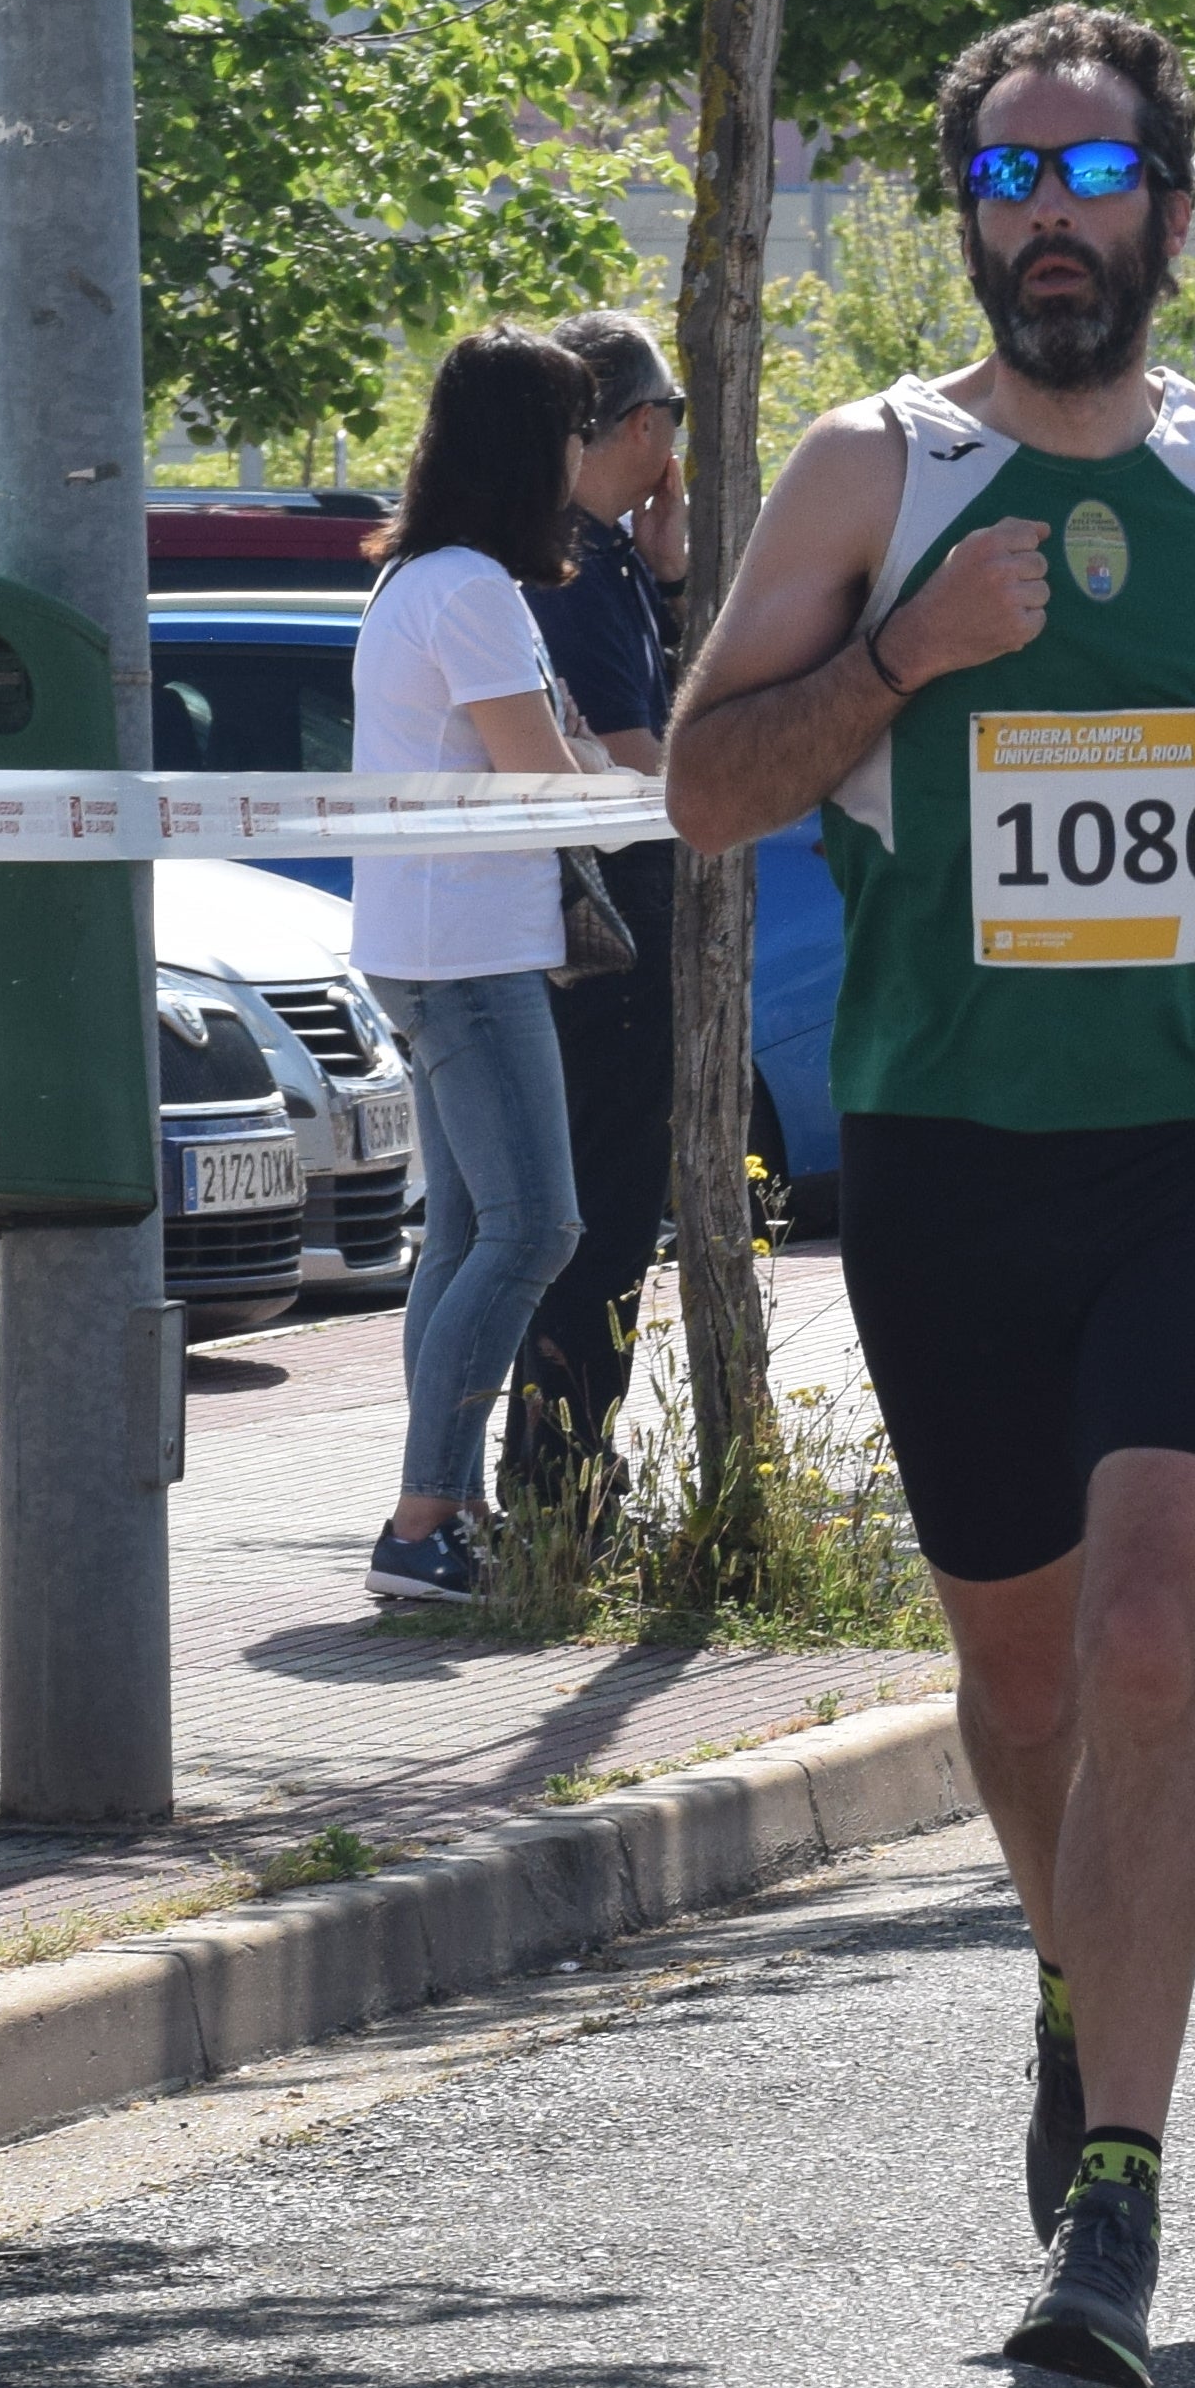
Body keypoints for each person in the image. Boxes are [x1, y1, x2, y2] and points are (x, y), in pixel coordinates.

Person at [662, 0, 1195, 2388]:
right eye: (1008, 185)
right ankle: (1077, 1975)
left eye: (1093, 180)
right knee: (1011, 1671)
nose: (1054, 223)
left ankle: (1115, 2185)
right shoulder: (866, 472)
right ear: (967, 222)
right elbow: (703, 787)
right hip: (949, 1147)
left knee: (1144, 1624)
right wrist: (906, 651)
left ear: (1174, 213)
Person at [351, 326, 600, 1611]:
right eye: (575, 429)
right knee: (535, 1225)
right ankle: (421, 1521)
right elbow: (542, 779)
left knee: (460, 1232)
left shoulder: (419, 579)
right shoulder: (473, 591)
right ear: (530, 448)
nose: (582, 457)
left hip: (426, 941)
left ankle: (442, 1513)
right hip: (466, 953)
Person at [501, 313, 691, 1531]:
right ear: (640, 425)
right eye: (669, 423)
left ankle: (563, 1474)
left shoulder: (606, 557)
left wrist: (668, 579)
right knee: (599, 1218)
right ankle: (557, 1487)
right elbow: (635, 766)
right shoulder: (563, 563)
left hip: (602, 931)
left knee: (596, 1213)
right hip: (604, 942)